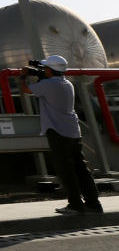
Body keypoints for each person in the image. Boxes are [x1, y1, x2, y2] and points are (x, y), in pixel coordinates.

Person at [17, 55, 103, 215]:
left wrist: (23, 75)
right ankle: (93, 204)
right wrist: (40, 74)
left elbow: (25, 89)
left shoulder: (47, 85)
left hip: (58, 131)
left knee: (66, 170)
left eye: (45, 68)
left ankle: (75, 205)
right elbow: (47, 81)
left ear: (49, 70)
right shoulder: (67, 83)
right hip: (73, 131)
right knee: (81, 168)